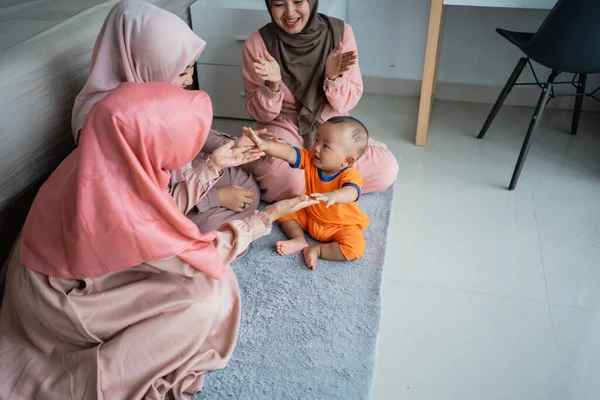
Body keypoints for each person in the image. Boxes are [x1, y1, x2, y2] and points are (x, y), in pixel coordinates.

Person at [0, 82, 318, 399]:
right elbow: (193, 255)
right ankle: (104, 376)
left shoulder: (101, 154)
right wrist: (264, 219)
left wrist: (214, 166)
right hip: (62, 305)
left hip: (45, 281)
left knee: (206, 279)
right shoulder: (118, 204)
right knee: (208, 293)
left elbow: (157, 210)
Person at [71, 0, 258, 232]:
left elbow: (191, 136)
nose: (189, 81)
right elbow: (143, 203)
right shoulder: (108, 121)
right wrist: (216, 198)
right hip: (153, 203)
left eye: (192, 68)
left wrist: (231, 144)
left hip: (178, 179)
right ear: (147, 65)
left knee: (248, 183)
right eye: (181, 72)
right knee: (203, 228)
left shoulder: (152, 93)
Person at [241, 0, 399, 203]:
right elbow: (259, 114)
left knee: (386, 168)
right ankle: (329, 184)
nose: (290, 12)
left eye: (298, 1)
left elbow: (346, 104)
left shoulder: (340, 33)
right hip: (282, 122)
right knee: (282, 179)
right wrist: (272, 84)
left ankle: (309, 185)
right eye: (279, 3)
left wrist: (333, 78)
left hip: (330, 121)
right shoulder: (257, 43)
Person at [243, 116, 370, 270]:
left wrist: (333, 196)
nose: (316, 147)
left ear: (347, 161)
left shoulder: (349, 175)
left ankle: (317, 250)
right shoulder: (311, 159)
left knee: (356, 247)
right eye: (317, 139)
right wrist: (266, 145)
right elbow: (290, 152)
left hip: (340, 226)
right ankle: (298, 239)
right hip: (310, 216)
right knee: (283, 211)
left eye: (326, 146)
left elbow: (351, 192)